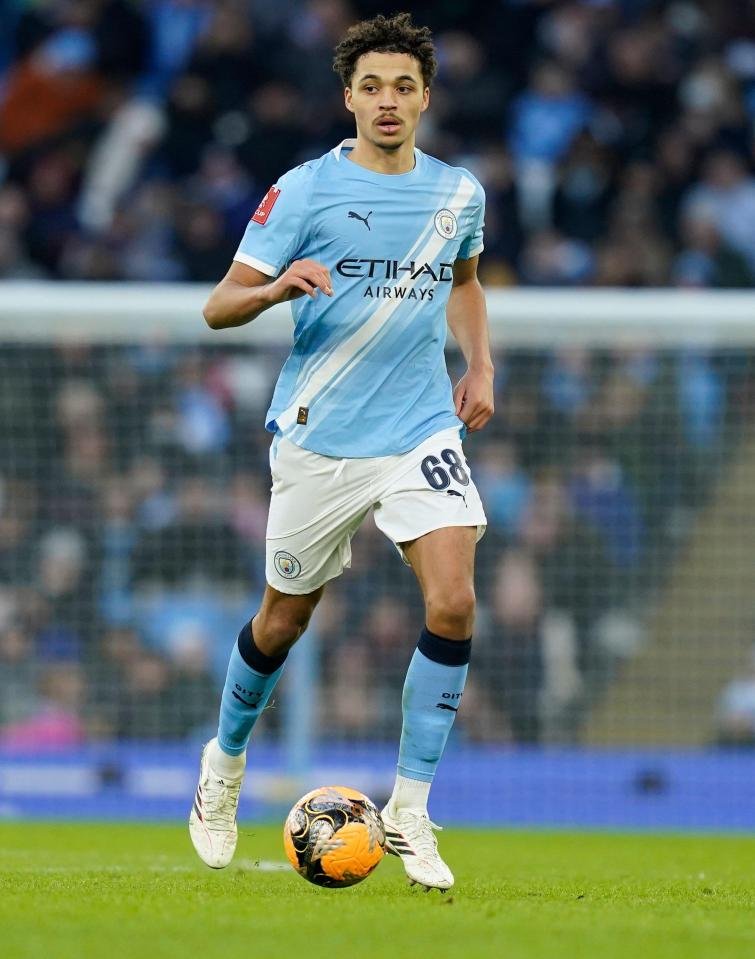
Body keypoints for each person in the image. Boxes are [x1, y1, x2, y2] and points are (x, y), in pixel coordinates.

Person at [188, 12, 494, 892]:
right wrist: (279, 284)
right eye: (372, 86)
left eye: (403, 86)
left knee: (454, 601)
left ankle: (408, 810)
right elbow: (218, 306)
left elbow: (464, 283)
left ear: (426, 97)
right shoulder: (304, 190)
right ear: (348, 97)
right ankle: (225, 764)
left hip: (418, 429)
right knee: (282, 621)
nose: (388, 101)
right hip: (320, 439)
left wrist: (479, 363)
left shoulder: (458, 193)